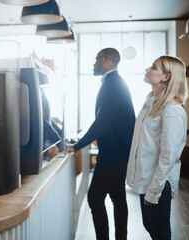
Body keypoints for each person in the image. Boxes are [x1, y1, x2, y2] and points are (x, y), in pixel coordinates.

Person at [68, 48, 135, 240]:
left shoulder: (112, 84)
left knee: (95, 198)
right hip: (120, 152)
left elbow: (102, 121)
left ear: (106, 60)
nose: (93, 63)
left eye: (96, 59)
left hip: (114, 154)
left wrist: (77, 145)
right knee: (117, 198)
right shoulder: (114, 83)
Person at [126, 56, 188, 240]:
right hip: (146, 179)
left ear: (166, 77)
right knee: (150, 228)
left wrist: (154, 191)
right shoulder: (149, 103)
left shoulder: (172, 110)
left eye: (154, 67)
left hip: (158, 183)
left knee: (160, 234)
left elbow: (169, 156)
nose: (147, 69)